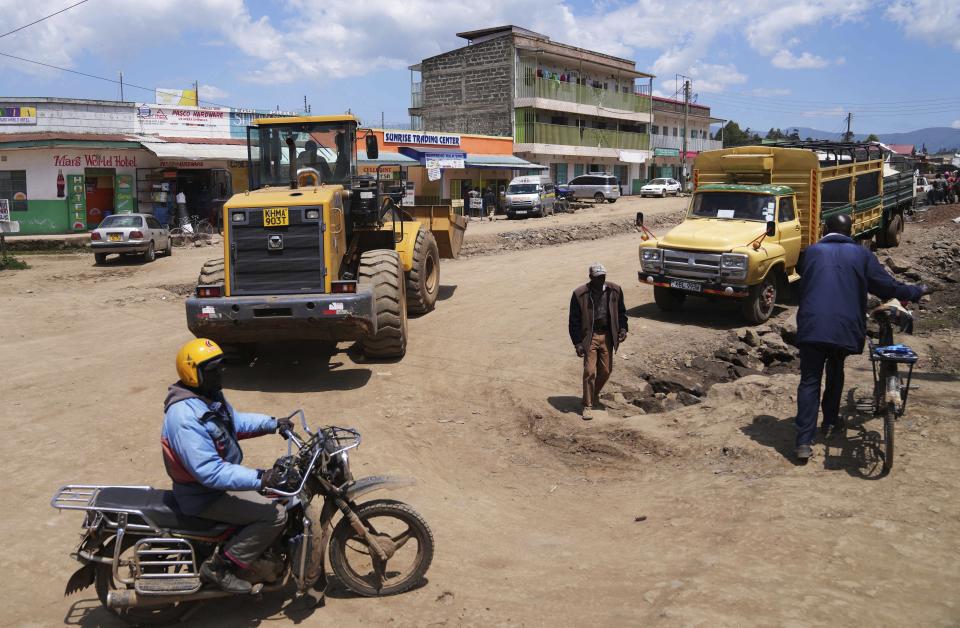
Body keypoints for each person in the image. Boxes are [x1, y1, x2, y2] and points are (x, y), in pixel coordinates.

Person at [162, 338, 293, 593]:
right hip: (204, 496)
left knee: (278, 493)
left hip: (213, 487)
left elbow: (235, 423)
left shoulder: (208, 397)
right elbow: (210, 472)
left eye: (221, 366)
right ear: (194, 373)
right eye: (214, 369)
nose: (222, 372)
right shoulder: (184, 417)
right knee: (275, 516)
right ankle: (220, 567)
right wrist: (260, 477)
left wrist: (273, 423)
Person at [793, 214, 928, 461]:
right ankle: (831, 422)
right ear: (851, 231)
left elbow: (802, 274)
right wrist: (915, 291)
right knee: (835, 370)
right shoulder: (861, 254)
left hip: (812, 325)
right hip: (844, 326)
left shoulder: (811, 251)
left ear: (825, 229)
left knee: (809, 380)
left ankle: (803, 441)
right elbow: (886, 287)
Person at [568, 263, 628, 420]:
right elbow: (573, 321)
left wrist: (623, 329)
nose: (601, 280)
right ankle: (587, 406)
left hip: (607, 335)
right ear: (590, 278)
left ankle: (592, 395)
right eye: (597, 278)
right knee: (589, 371)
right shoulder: (579, 294)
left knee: (606, 371)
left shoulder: (615, 290)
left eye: (603, 277)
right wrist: (578, 343)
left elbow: (622, 313)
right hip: (590, 336)